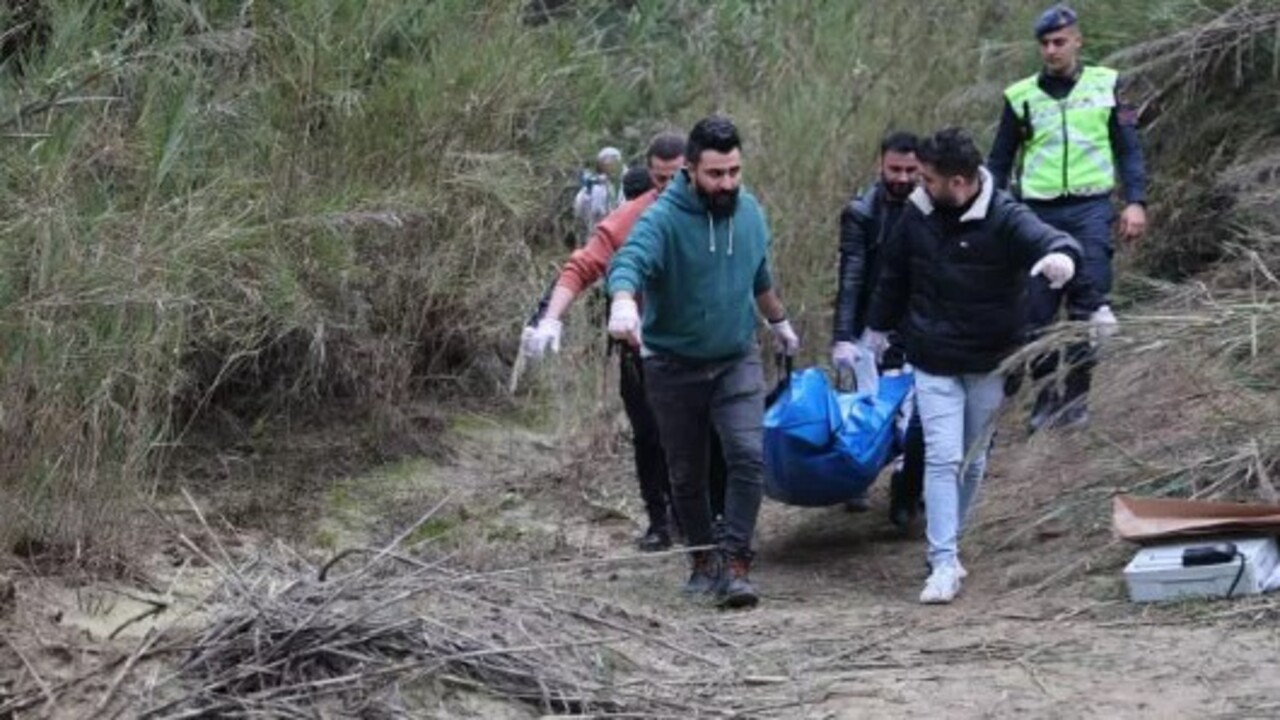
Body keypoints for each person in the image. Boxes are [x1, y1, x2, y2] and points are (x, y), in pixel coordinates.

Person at [864, 128, 1082, 604]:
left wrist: (1060, 259)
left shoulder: (1003, 214)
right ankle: (942, 560)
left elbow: (1051, 238)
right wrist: (875, 330)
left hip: (990, 358)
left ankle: (952, 540)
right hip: (933, 356)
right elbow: (894, 273)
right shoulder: (917, 213)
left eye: (928, 178)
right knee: (942, 457)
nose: (919, 184)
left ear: (959, 182)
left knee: (973, 457)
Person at [607, 116, 799, 609]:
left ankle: (736, 561)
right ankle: (701, 558)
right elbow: (629, 262)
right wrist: (624, 302)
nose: (727, 183)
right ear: (691, 170)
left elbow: (758, 274)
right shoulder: (663, 219)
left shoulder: (750, 212)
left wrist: (778, 322)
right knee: (687, 471)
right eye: (716, 174)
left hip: (735, 357)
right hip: (672, 364)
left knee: (747, 455)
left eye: (734, 171)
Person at [522, 133, 727, 552]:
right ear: (650, 177)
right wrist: (550, 318)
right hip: (642, 351)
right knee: (649, 435)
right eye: (659, 180)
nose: (668, 188)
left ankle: (711, 517)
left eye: (677, 178)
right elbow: (582, 264)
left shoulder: (718, 210)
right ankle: (659, 521)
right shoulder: (632, 216)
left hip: (705, 349)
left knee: (712, 435)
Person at [988, 3, 1143, 431]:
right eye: (1045, 44)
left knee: (1087, 306)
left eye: (1059, 42)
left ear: (1077, 40)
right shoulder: (1020, 97)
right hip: (1036, 214)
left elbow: (1129, 149)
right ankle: (1044, 398)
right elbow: (999, 161)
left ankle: (1076, 397)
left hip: (1090, 209)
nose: (1052, 50)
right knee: (1034, 313)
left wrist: (1136, 201)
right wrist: (990, 213)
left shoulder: (1109, 86)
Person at [831, 131, 926, 527]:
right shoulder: (862, 212)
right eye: (894, 169)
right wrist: (843, 334)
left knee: (914, 413)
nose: (902, 178)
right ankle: (857, 478)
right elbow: (851, 274)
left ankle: (905, 494)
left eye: (910, 170)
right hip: (872, 321)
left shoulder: (932, 208)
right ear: (880, 166)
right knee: (868, 407)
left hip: (921, 323)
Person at [573, 146, 627, 240]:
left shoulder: (628, 182)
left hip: (621, 237)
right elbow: (580, 211)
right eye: (605, 163)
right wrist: (587, 192)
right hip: (597, 238)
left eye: (613, 161)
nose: (610, 166)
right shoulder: (596, 184)